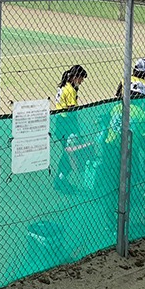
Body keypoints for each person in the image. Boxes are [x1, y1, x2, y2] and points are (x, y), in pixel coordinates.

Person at [54, 65, 89, 193]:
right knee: (69, 155)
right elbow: (72, 113)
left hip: (60, 124)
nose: (81, 82)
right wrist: (77, 132)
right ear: (75, 77)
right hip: (67, 126)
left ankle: (60, 179)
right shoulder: (71, 91)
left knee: (67, 154)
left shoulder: (64, 87)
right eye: (80, 79)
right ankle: (60, 180)